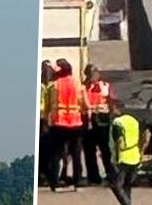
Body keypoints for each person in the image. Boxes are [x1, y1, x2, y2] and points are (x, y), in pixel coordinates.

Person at [47, 59, 87, 191]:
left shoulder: (55, 86)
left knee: (56, 153)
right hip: (75, 122)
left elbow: (51, 106)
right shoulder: (78, 85)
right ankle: (77, 182)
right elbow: (84, 104)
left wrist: (50, 121)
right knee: (76, 153)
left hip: (59, 122)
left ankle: (55, 182)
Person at [106, 95, 145, 205]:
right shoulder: (133, 120)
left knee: (116, 185)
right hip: (134, 155)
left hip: (122, 157)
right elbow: (142, 136)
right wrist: (141, 152)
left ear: (117, 109)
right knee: (127, 187)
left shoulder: (117, 123)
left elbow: (119, 142)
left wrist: (116, 159)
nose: (110, 111)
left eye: (111, 109)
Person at [82, 64, 113, 185]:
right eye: (91, 74)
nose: (94, 76)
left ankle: (110, 175)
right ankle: (94, 177)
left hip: (101, 118)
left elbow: (111, 100)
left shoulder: (104, 86)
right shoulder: (83, 87)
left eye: (95, 73)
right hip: (89, 119)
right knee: (89, 150)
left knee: (104, 149)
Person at [37, 60, 57, 190]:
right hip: (45, 119)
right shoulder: (50, 87)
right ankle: (46, 176)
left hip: (43, 119)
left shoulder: (47, 86)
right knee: (47, 152)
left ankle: (43, 176)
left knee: (44, 151)